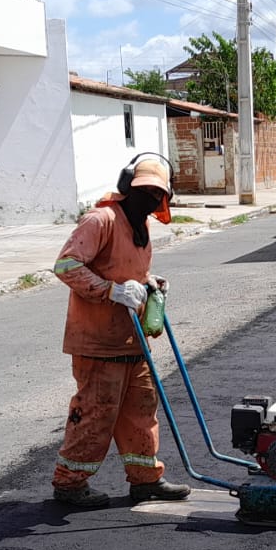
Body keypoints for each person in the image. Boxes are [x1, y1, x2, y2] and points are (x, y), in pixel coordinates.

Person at [49, 156, 191, 508]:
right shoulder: (102, 220)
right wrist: (110, 291)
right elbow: (66, 264)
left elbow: (129, 271)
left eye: (158, 194)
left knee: (141, 413)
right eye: (145, 191)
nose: (151, 199)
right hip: (98, 344)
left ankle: (146, 481)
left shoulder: (141, 228)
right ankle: (69, 485)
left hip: (133, 340)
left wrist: (149, 283)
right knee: (95, 415)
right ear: (128, 186)